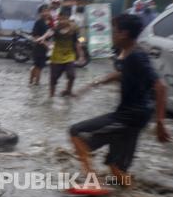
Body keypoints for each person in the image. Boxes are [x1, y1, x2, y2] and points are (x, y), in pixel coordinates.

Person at [69, 14, 171, 184]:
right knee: (116, 168)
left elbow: (161, 86)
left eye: (114, 31)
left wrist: (160, 122)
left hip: (129, 116)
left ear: (124, 34)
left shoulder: (136, 56)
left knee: (77, 133)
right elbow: (122, 73)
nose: (111, 35)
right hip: (136, 115)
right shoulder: (130, 53)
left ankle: (92, 181)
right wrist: (93, 84)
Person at [39, 7, 85, 97]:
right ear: (58, 19)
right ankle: (51, 96)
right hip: (57, 56)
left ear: (68, 18)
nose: (62, 21)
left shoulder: (74, 28)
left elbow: (77, 42)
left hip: (69, 55)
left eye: (64, 19)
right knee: (53, 78)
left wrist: (81, 55)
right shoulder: (56, 27)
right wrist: (43, 38)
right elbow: (49, 32)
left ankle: (68, 91)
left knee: (72, 75)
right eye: (60, 19)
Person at [29, 4, 51, 86]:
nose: (46, 13)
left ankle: (33, 81)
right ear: (40, 13)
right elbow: (36, 36)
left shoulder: (47, 23)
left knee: (39, 66)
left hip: (44, 48)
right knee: (37, 66)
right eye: (44, 11)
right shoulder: (38, 22)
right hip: (38, 47)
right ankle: (35, 82)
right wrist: (46, 45)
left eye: (47, 11)